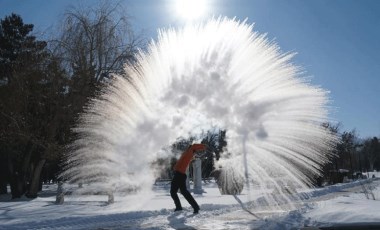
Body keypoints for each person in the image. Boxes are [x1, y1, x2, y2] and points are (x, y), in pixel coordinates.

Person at [170, 143, 206, 214]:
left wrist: (203, 146)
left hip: (179, 175)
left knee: (173, 192)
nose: (188, 146)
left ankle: (179, 207)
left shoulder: (190, 152)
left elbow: (194, 146)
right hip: (180, 174)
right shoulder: (187, 153)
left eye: (189, 147)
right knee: (184, 192)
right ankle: (195, 207)